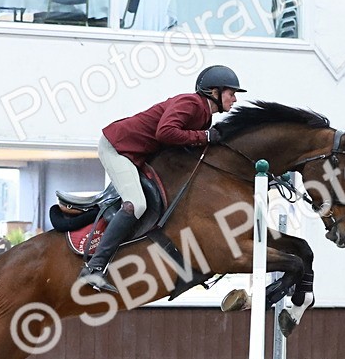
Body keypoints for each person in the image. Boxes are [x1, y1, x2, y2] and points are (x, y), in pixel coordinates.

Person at [78, 65, 246, 293]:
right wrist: (204, 136)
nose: (235, 99)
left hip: (136, 154)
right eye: (231, 93)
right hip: (117, 148)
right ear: (214, 92)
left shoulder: (204, 115)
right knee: (136, 204)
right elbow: (165, 132)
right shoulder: (192, 103)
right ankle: (94, 267)